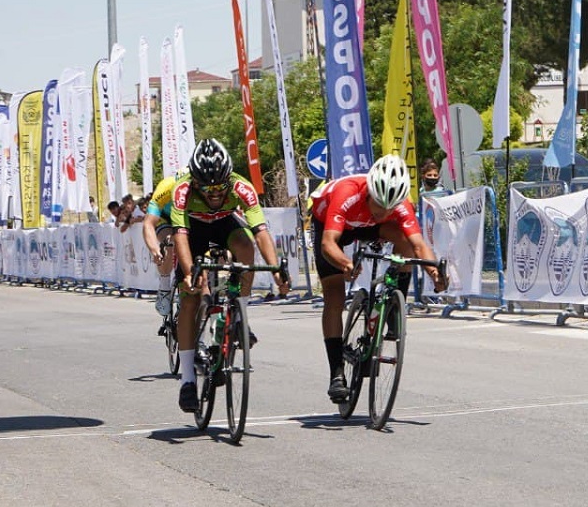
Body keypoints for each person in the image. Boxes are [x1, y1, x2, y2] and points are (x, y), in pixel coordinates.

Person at [311, 154, 447, 403]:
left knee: (405, 241)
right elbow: (328, 244)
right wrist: (346, 263)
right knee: (334, 296)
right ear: (369, 193)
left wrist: (435, 272)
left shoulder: (400, 205)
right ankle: (336, 373)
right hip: (332, 227)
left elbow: (418, 246)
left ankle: (394, 304)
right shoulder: (347, 193)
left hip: (365, 226)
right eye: (379, 205)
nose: (383, 211)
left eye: (389, 208)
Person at [170, 138, 290, 414]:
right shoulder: (183, 190)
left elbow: (260, 231)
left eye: (219, 187)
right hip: (193, 229)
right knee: (189, 299)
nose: (213, 193)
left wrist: (276, 272)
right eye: (206, 187)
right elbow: (180, 236)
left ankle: (239, 315)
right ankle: (188, 379)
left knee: (246, 248)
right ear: (195, 180)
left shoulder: (241, 187)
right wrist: (190, 273)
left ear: (229, 179)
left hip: (225, 224)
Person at [144, 173, 186, 332]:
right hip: (165, 218)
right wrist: (155, 247)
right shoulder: (166, 186)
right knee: (168, 243)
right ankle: (164, 287)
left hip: (186, 217)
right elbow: (148, 222)